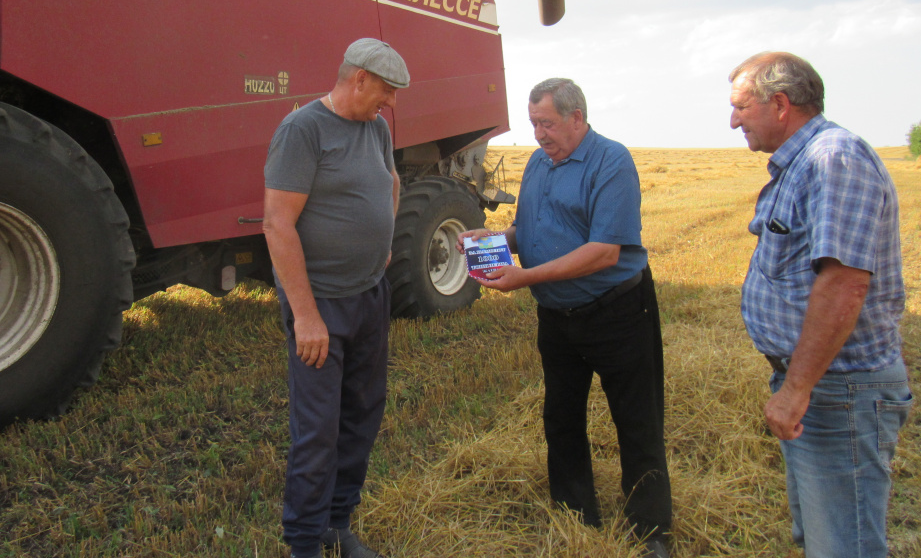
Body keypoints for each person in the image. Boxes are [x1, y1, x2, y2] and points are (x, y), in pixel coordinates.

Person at [459, 77, 672, 558]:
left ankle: (651, 531)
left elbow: (603, 252)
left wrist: (526, 278)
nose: (538, 134)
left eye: (547, 124)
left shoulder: (611, 161)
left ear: (577, 118)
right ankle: (577, 514)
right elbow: (531, 226)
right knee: (561, 417)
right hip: (557, 318)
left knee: (636, 422)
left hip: (617, 312)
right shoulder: (538, 163)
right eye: (534, 124)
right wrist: (493, 239)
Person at [728, 51, 913, 558]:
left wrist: (797, 388)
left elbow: (844, 284)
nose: (732, 120)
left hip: (839, 391)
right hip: (825, 387)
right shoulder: (807, 161)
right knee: (821, 538)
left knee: (843, 545)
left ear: (780, 104)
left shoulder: (834, 160)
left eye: (741, 107)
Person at [263, 37, 409, 558]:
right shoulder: (302, 130)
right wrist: (305, 316)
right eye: (386, 91)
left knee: (363, 415)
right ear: (358, 79)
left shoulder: (377, 129)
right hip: (321, 304)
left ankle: (337, 525)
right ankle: (303, 542)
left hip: (371, 296)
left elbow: (390, 182)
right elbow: (277, 225)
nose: (390, 102)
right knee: (317, 433)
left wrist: (385, 241)